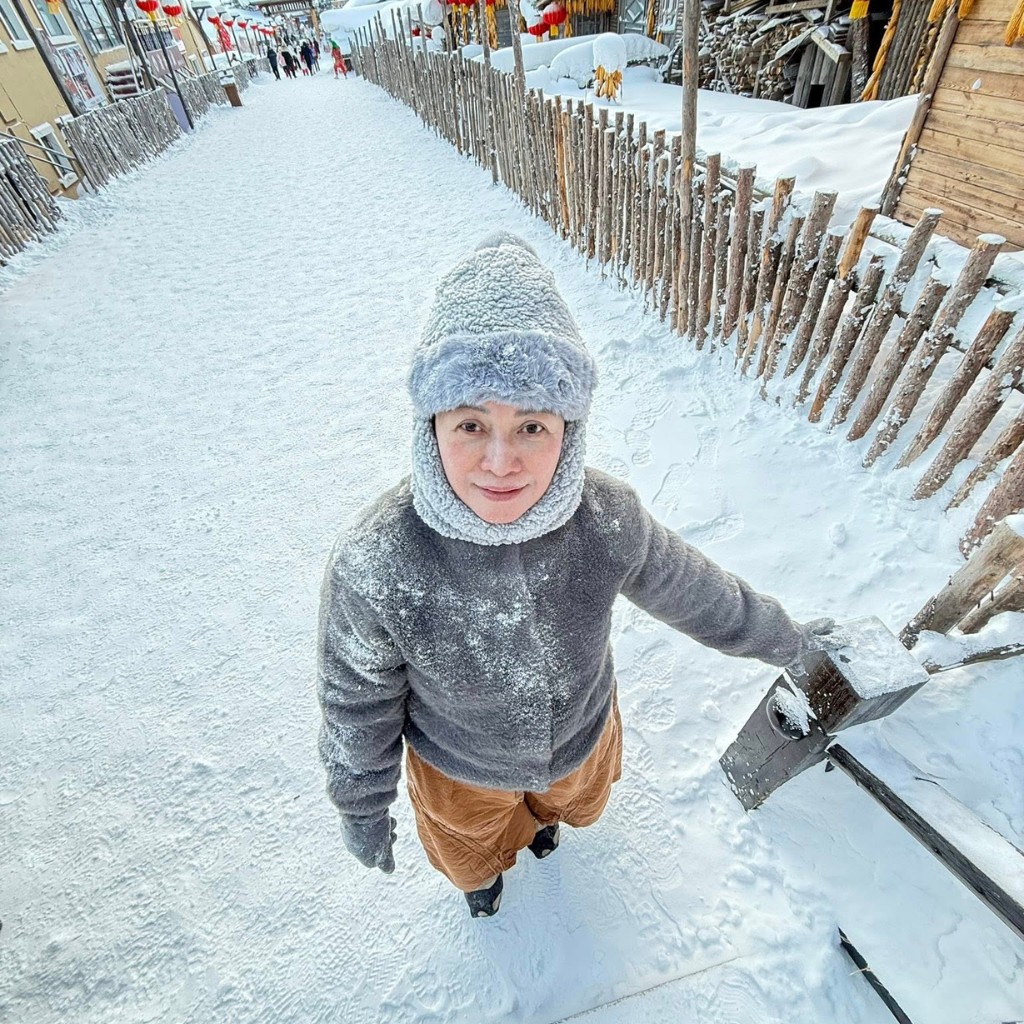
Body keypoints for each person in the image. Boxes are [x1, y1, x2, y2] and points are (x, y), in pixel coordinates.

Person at [316, 233, 835, 919]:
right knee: (471, 841)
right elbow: (356, 699)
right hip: (459, 769)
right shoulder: (381, 561)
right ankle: (482, 883)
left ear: (570, 428)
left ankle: (546, 824)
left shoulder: (605, 518)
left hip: (582, 739)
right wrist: (361, 805)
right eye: (471, 424)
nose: (500, 460)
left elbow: (699, 593)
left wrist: (788, 640)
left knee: (571, 802)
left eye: (532, 426)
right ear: (430, 425)